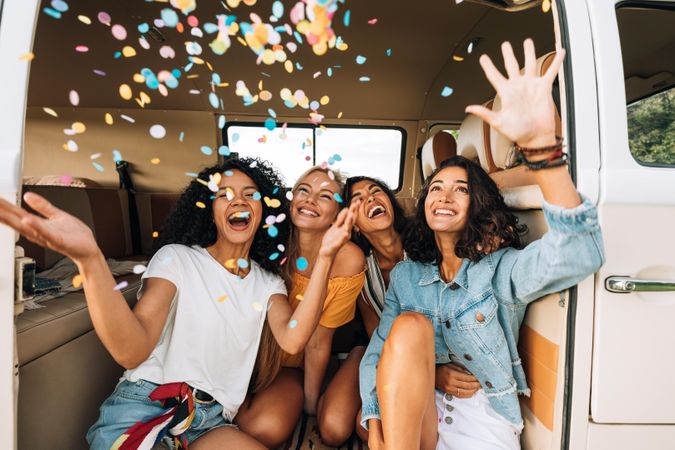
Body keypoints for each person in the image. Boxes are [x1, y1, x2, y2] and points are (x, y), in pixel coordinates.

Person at [0, 157, 359, 450]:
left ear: (264, 211)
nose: (238, 200)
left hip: (212, 421)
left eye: (250, 194)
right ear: (210, 211)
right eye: (224, 194)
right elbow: (132, 351)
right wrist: (91, 261)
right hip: (145, 406)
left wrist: (326, 257)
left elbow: (295, 339)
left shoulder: (267, 284)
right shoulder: (177, 259)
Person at [359, 39, 605, 450]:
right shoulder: (407, 276)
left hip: (483, 419)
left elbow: (581, 254)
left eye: (461, 189)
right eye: (436, 187)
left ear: (479, 205)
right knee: (408, 326)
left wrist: (543, 152)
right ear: (425, 206)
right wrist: (376, 423)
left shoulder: (500, 270)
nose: (444, 195)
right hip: (417, 414)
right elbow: (377, 356)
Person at [341, 176, 482, 444]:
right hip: (391, 355)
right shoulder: (359, 267)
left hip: (438, 349)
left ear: (390, 203)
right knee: (358, 426)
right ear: (354, 224)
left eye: (376, 191)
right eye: (358, 199)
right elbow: (378, 341)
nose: (370, 199)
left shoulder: (427, 245)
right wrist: (428, 376)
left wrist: (434, 370)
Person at [235, 166, 366, 448]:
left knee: (263, 430)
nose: (309, 200)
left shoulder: (348, 259)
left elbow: (318, 341)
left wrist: (309, 406)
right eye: (303, 190)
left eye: (325, 196)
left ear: (338, 214)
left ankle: (357, 354)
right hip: (242, 355)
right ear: (291, 199)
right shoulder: (265, 239)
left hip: (288, 366)